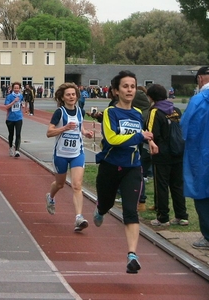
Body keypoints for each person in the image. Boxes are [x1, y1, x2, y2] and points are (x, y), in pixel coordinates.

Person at [93, 70, 158, 274]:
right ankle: (101, 209)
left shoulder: (138, 114)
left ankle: (132, 255)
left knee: (131, 210)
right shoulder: (110, 113)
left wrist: (151, 142)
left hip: (132, 168)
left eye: (132, 86)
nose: (129, 90)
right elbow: (112, 139)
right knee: (107, 203)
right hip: (110, 166)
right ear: (115, 91)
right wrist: (140, 137)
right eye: (125, 86)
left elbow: (142, 134)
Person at [45, 82, 93, 232]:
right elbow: (49, 132)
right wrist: (64, 128)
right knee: (59, 184)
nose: (71, 97)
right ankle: (50, 197)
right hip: (61, 154)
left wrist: (85, 133)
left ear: (77, 96)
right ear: (63, 97)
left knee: (77, 185)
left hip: (77, 153)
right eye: (68, 95)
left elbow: (80, 127)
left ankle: (78, 218)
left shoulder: (81, 111)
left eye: (73, 94)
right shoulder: (59, 113)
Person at [145, 84, 188, 226]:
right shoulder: (175, 110)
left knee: (161, 186)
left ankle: (163, 217)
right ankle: (182, 216)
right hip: (178, 152)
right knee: (177, 185)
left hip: (161, 154)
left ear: (151, 97)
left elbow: (151, 133)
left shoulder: (155, 111)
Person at [180, 66, 209, 250]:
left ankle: (207, 236)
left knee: (202, 194)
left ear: (199, 79)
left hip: (201, 154)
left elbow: (184, 128)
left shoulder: (198, 100)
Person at [4, 82, 24, 158]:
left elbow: (21, 103)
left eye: (17, 88)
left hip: (19, 117)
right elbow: (6, 107)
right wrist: (14, 102)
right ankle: (10, 147)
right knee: (11, 134)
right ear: (12, 88)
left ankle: (17, 150)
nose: (16, 89)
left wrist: (22, 105)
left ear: (19, 89)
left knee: (18, 134)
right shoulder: (9, 97)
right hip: (10, 118)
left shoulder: (21, 96)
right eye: (15, 88)